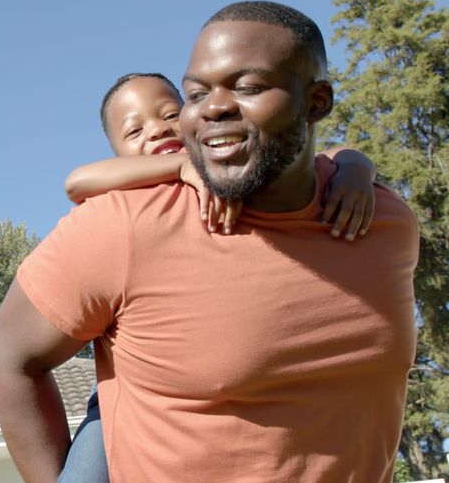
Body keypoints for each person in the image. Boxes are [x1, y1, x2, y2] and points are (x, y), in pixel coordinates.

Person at [0, 1, 419, 482]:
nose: (213, 107)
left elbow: (339, 155)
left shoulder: (382, 220)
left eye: (248, 86)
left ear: (316, 101)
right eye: (198, 92)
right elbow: (10, 356)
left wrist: (358, 167)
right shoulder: (124, 222)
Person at [55, 72, 379, 482]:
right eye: (135, 130)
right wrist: (179, 166)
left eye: (170, 114)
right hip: (131, 396)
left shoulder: (240, 170)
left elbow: (339, 154)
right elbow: (76, 181)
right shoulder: (131, 199)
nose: (156, 129)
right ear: (118, 154)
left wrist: (355, 171)